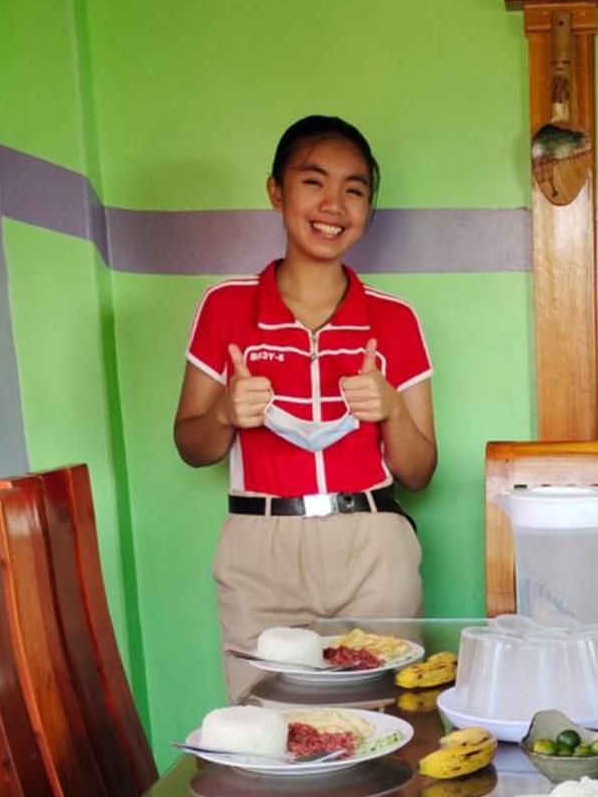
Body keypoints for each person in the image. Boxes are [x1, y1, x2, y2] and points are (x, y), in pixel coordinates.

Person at [174, 115, 437, 693]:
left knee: (384, 725)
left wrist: (392, 409)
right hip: (259, 546)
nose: (334, 204)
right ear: (276, 190)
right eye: (313, 182)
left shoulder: (396, 319)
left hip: (372, 543)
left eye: (355, 188)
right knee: (266, 731)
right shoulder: (225, 307)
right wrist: (223, 413)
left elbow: (419, 472)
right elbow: (191, 447)